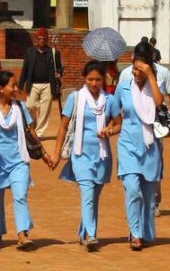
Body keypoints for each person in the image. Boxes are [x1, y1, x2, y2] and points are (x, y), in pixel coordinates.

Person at [51, 61, 121, 251]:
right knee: (87, 194)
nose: (93, 83)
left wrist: (109, 130)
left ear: (103, 79)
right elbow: (63, 126)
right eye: (90, 79)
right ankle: (91, 234)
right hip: (80, 154)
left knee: (93, 197)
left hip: (102, 155)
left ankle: (83, 233)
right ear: (84, 79)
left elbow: (118, 123)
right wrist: (56, 154)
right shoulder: (75, 98)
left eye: (97, 79)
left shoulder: (110, 100)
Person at [0, 71, 51, 250]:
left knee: (20, 196)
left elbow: (30, 132)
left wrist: (43, 154)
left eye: (16, 85)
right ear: (0, 88)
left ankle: (22, 234)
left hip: (19, 161)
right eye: (12, 85)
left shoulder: (21, 108)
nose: (16, 89)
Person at [113, 44, 164, 250]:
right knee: (133, 190)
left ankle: (144, 232)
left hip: (151, 146)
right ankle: (135, 233)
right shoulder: (123, 87)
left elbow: (160, 104)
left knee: (149, 196)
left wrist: (151, 77)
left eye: (141, 70)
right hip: (127, 145)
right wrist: (112, 125)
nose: (136, 73)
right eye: (134, 69)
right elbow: (114, 109)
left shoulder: (155, 86)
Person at [119, 42, 170, 216]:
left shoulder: (162, 73)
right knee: (132, 178)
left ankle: (154, 201)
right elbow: (120, 99)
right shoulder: (125, 75)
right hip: (131, 134)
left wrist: (164, 118)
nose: (137, 72)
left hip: (153, 130)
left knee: (153, 171)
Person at [19, 28, 63, 137]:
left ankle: (39, 133)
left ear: (47, 39)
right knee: (30, 106)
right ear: (36, 39)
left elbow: (59, 68)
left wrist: (58, 73)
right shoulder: (29, 52)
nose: (42, 40)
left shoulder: (53, 53)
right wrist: (20, 86)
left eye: (44, 38)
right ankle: (32, 126)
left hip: (48, 85)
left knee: (44, 110)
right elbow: (24, 69)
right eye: (40, 38)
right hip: (33, 84)